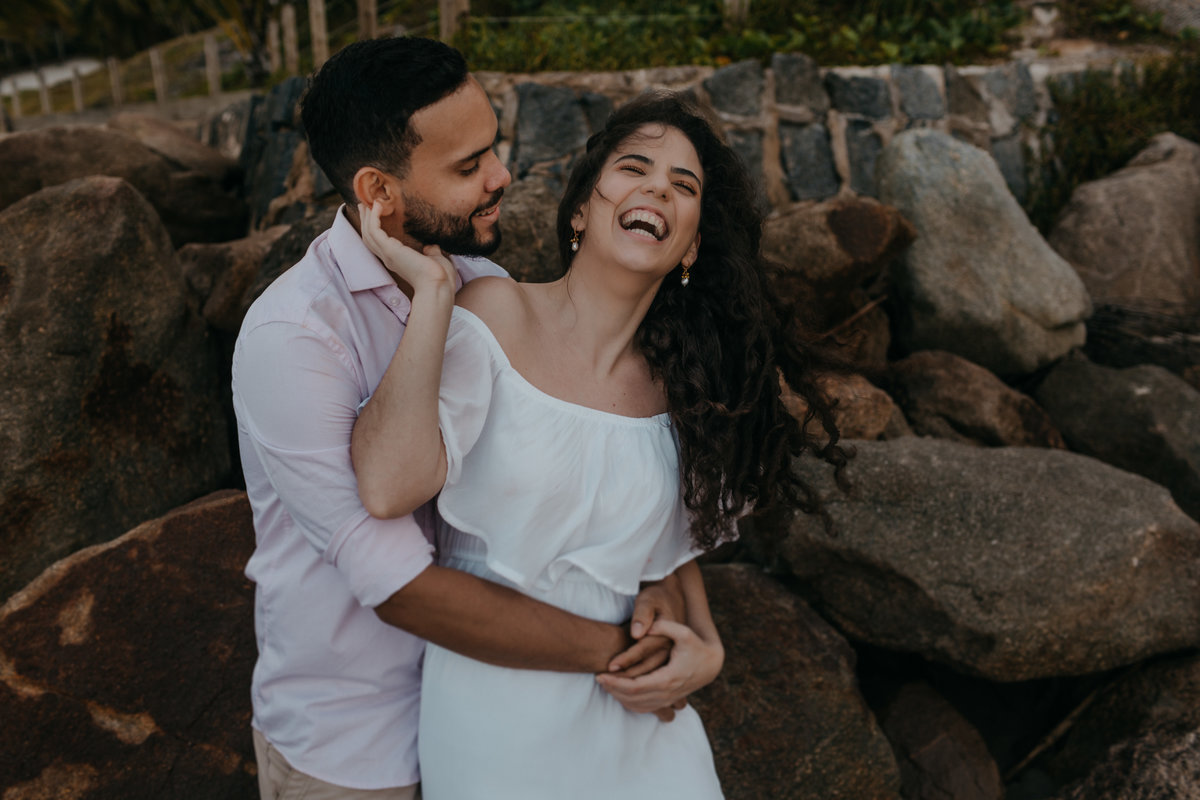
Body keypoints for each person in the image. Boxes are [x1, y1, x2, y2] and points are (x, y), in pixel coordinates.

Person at [232, 38, 714, 800]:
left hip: (522, 710)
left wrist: (667, 593)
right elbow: (399, 584)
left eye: (494, 148)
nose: (501, 177)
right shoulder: (293, 339)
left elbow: (588, 469)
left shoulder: (483, 283)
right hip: (357, 749)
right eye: (469, 166)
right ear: (378, 190)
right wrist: (631, 653)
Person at [352, 91, 848, 799]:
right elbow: (385, 487)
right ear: (580, 210)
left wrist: (706, 652)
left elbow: (665, 554)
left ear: (691, 245)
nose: (658, 189)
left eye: (683, 186)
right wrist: (433, 294)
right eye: (635, 169)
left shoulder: (685, 395)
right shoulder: (494, 314)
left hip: (642, 717)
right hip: (497, 711)